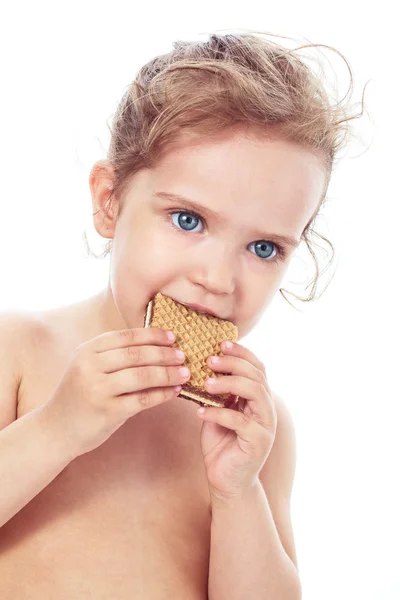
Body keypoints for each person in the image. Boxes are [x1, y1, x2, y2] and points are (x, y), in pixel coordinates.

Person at [0, 31, 364, 598]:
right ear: (109, 201)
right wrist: (57, 428)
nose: (217, 279)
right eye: (188, 220)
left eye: (264, 248)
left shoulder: (255, 424)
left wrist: (236, 492)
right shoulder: (19, 349)